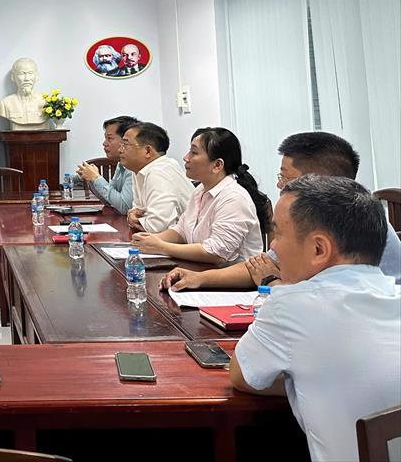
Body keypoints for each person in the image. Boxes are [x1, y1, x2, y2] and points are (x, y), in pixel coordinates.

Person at [229, 175, 401, 462]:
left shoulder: (291, 305)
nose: (273, 248)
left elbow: (244, 377)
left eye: (278, 235)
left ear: (319, 249)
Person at [163, 131, 401, 290]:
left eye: (287, 178)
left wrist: (272, 282)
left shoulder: (356, 223)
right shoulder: (314, 217)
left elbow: (320, 300)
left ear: (320, 182)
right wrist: (199, 278)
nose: (280, 185)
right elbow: (261, 265)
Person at [131, 128, 268, 263]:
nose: (186, 158)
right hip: (202, 270)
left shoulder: (234, 198)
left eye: (194, 152)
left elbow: (216, 253)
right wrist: (151, 240)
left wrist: (162, 247)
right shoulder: (200, 190)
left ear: (217, 165)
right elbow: (182, 230)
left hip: (232, 276)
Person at [120, 122, 193, 233]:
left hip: (189, 241)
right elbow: (137, 211)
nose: (120, 150)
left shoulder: (159, 171)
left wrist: (135, 219)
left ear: (148, 151)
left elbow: (157, 227)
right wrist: (132, 216)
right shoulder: (139, 171)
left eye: (125, 144)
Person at [72, 115, 138, 214]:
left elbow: (125, 207)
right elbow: (109, 201)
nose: (104, 143)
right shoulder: (121, 164)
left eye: (110, 138)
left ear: (126, 140)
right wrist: (91, 179)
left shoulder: (134, 166)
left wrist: (96, 178)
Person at [0, 57, 48, 129]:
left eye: (30, 73)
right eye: (21, 74)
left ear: (37, 76)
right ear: (13, 77)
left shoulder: (46, 101)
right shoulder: (5, 104)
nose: (26, 78)